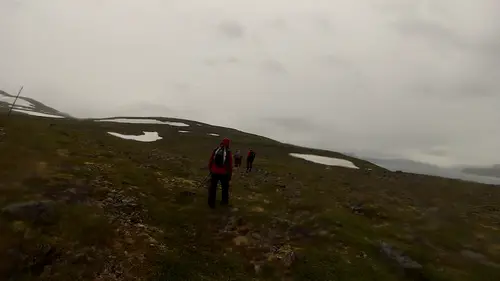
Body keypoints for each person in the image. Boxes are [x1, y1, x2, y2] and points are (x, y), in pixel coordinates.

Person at [208, 138, 233, 208]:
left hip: (214, 172)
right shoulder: (228, 152)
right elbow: (230, 164)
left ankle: (211, 203)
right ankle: (224, 202)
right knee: (225, 188)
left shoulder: (216, 150)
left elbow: (211, 159)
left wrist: (210, 169)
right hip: (224, 173)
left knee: (213, 188)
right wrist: (229, 174)